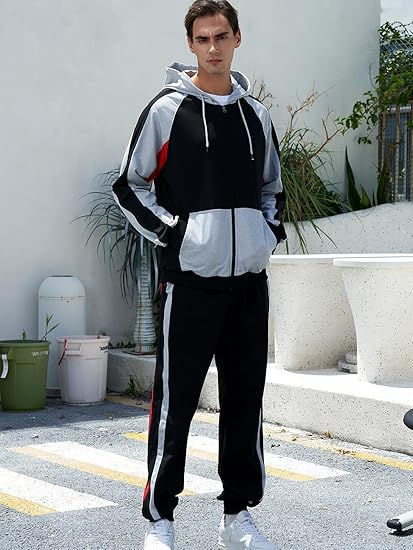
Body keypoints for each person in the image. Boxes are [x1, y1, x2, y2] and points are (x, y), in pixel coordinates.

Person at [112, 1, 287, 548]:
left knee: (245, 402)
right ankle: (160, 519)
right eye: (203, 38)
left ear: (237, 39)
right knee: (175, 404)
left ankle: (237, 517)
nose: (213, 47)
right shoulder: (166, 110)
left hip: (248, 286)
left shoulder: (256, 116)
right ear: (190, 44)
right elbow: (129, 185)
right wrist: (176, 235)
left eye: (222, 36)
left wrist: (266, 234)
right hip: (189, 284)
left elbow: (272, 188)